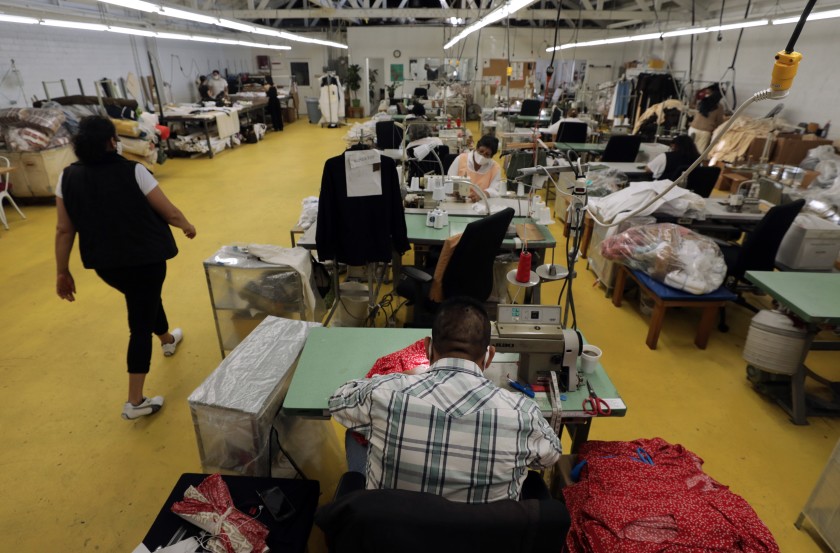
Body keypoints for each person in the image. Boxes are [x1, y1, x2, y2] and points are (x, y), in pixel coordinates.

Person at [329, 297, 562, 503]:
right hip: (482, 542)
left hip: (392, 538)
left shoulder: (386, 394)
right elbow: (550, 456)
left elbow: (338, 401)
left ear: (428, 349)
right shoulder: (523, 413)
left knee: (356, 432)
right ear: (490, 355)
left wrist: (398, 378)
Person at [54, 116, 197, 420]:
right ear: (111, 141)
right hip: (146, 259)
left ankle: (167, 340)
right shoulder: (134, 171)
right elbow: (168, 210)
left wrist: (62, 271)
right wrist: (186, 225)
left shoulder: (67, 177)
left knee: (143, 298)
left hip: (107, 265)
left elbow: (64, 231)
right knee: (140, 321)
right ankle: (135, 402)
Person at [447, 134, 503, 199]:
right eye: (481, 151)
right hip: (458, 202)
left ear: (491, 156)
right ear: (476, 148)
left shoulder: (495, 168)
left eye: (487, 154)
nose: (483, 156)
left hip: (481, 204)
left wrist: (483, 194)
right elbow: (449, 182)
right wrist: (453, 191)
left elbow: (494, 190)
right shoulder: (460, 159)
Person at [689, 84, 725, 151]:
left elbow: (693, 107)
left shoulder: (701, 102)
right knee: (699, 154)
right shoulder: (719, 107)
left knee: (688, 150)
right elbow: (719, 122)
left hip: (693, 128)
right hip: (705, 132)